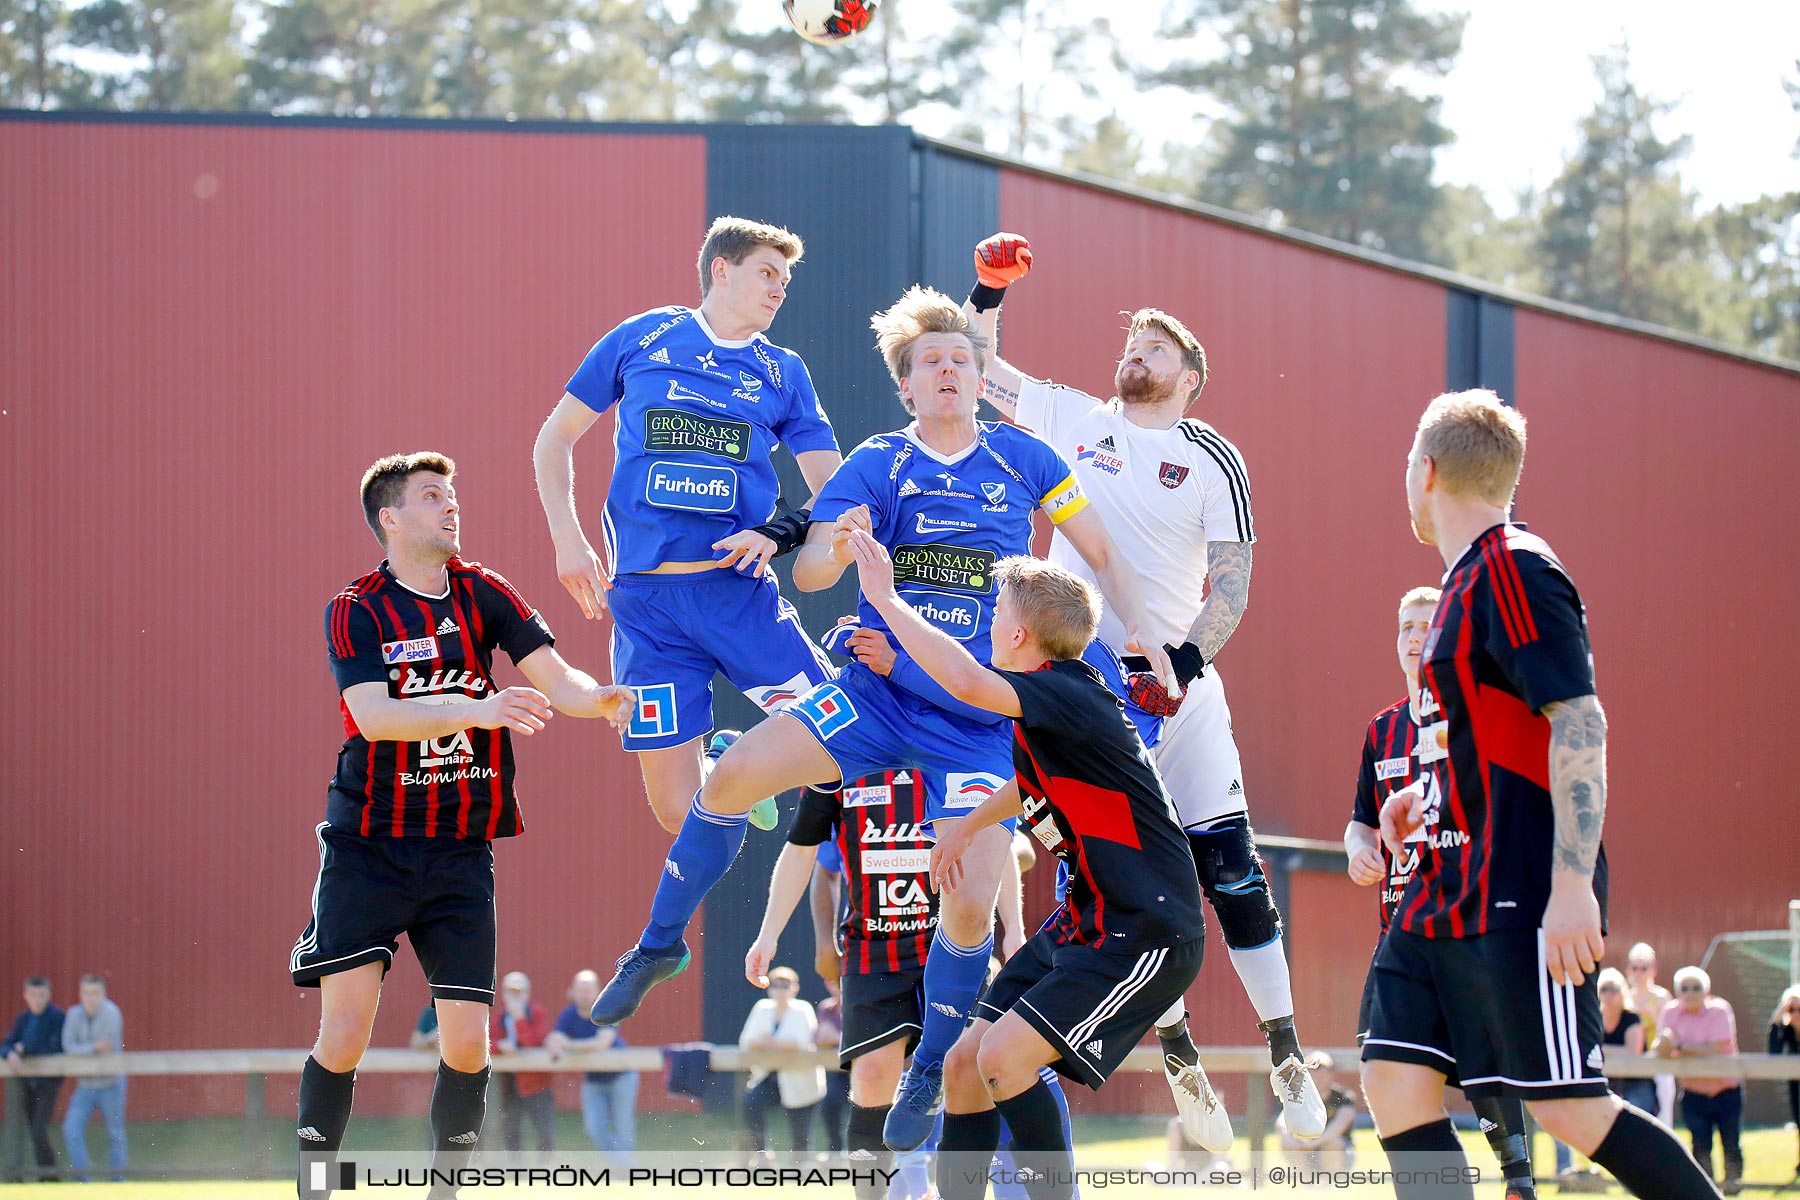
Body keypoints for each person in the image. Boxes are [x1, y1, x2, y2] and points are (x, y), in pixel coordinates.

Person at [591, 286, 1174, 1160]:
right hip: (879, 691)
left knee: (972, 895)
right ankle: (658, 944)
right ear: (906, 387)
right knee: (735, 776)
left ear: (980, 377)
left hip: (979, 718)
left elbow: (1099, 554)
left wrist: (1150, 646)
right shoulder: (878, 463)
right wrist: (833, 544)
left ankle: (932, 1065)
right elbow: (818, 574)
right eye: (930, 362)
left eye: (961, 359)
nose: (948, 370)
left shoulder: (1024, 457)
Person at [964, 233, 1322, 1141]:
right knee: (1116, 880)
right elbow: (974, 368)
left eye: (1157, 347)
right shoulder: (1076, 419)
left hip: (1180, 688)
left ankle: (1285, 1050)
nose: (1136, 353)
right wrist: (987, 290)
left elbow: (1232, 587)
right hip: (1085, 693)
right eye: (1131, 343)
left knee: (1230, 868)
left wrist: (1183, 666)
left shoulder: (1212, 459)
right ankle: (1179, 1055)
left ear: (1191, 375)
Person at [1361, 389, 1721, 1200]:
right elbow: (1497, 727)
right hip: (1443, 887)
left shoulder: (1514, 566)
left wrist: (1570, 887)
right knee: (1393, 1082)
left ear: (1423, 472)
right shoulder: (1457, 586)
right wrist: (1426, 793)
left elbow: (1579, 720)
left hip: (1523, 888)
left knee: (1569, 1110)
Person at [289, 451, 635, 1200]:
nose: (451, 507)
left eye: (453, 495)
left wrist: (603, 697)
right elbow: (375, 717)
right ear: (391, 517)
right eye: (431, 496)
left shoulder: (484, 592)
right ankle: (317, 1184)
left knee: (469, 1044)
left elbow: (559, 680)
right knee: (345, 1034)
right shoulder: (356, 606)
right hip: (367, 848)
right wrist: (478, 708)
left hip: (458, 852)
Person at [848, 540, 1206, 1200]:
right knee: (962, 1064)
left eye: (995, 610)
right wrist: (969, 823)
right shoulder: (1055, 705)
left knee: (1002, 1060)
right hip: (1086, 924)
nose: (986, 621)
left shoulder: (1063, 693)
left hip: (1146, 932)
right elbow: (1033, 782)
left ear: (1018, 633)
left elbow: (963, 682)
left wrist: (887, 598)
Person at [534, 215, 844, 840]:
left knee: (840, 743)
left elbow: (836, 489)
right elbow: (555, 436)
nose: (779, 289)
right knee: (677, 811)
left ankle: (740, 760)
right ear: (719, 271)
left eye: (785, 280)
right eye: (767, 273)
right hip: (645, 606)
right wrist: (567, 538)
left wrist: (779, 533)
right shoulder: (642, 338)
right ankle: (720, 766)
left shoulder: (783, 371)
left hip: (735, 593)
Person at [1345, 585, 1537, 1200]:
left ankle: (1518, 1179)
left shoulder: (1475, 717)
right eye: (1403, 625)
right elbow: (1361, 819)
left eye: (1426, 624)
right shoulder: (1382, 730)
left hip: (1463, 926)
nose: (1412, 636)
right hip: (1398, 933)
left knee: (1488, 1069)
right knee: (1381, 1061)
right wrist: (1358, 850)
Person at [1657, 967, 1742, 1193]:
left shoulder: (1720, 1010)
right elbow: (1663, 1045)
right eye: (1685, 988)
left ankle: (1734, 1190)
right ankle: (1706, 1191)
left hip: (1726, 1089)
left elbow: (1717, 1047)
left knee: (1731, 1143)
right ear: (1677, 991)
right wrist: (1667, 1045)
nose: (1690, 992)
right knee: (1700, 1146)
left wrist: (1680, 1047)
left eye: (1696, 987)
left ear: (1707, 990)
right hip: (1693, 1090)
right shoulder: (1671, 1012)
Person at [546, 970, 638, 1165]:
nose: (584, 994)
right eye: (580, 990)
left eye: (588, 990)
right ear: (572, 992)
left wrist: (568, 1045)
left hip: (621, 1076)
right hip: (593, 1079)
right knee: (594, 1128)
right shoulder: (569, 1014)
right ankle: (625, 1166)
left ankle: (627, 1171)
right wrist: (554, 1043)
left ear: (598, 991)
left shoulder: (608, 1009)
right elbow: (556, 1038)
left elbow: (601, 1044)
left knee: (624, 1127)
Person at [738, 967, 826, 1161]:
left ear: (794, 988)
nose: (780, 990)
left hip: (800, 1078)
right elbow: (747, 1040)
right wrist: (776, 1044)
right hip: (769, 1076)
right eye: (776, 985)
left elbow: (803, 1042)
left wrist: (772, 1043)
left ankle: (799, 1169)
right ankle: (762, 1153)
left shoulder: (802, 1009)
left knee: (800, 1130)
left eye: (785, 986)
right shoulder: (762, 1008)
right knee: (751, 1104)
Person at [61, 974, 126, 1182]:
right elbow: (67, 1047)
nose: (91, 997)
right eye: (87, 993)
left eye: (96, 993)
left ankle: (117, 1183)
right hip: (86, 1084)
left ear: (103, 994)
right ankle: (84, 1183)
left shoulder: (112, 1013)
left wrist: (84, 1050)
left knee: (115, 1133)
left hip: (111, 1083)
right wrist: (92, 1047)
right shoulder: (73, 1014)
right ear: (80, 994)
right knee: (71, 1129)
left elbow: (108, 1047)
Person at [2, 976, 65, 1181]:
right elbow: (7, 1043)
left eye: (42, 995)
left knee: (39, 1128)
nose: (38, 1000)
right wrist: (10, 1052)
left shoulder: (57, 1017)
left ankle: (50, 1176)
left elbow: (55, 1047)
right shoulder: (24, 1018)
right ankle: (24, 1176)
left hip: (47, 1082)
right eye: (33, 995)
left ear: (49, 995)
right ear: (26, 996)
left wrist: (25, 1049)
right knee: (28, 1128)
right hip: (27, 1083)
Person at [490, 972, 556, 1156]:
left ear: (527, 993)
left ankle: (547, 1168)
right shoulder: (499, 1018)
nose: (515, 996)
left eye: (519, 992)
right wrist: (501, 1046)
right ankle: (515, 1169)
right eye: (511, 992)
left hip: (537, 1083)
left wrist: (519, 1019)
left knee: (544, 1131)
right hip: (510, 1083)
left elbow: (533, 1043)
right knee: (511, 1129)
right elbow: (487, 1043)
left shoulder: (538, 1014)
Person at [1277, 1053, 1358, 1173]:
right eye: (1314, 1071)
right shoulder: (1299, 1096)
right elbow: (1282, 1121)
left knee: (1333, 1142)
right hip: (1307, 1150)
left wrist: (1312, 1144)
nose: (1320, 1076)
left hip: (1339, 1153)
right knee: (1287, 1141)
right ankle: (1306, 1183)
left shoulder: (1343, 1098)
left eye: (1324, 1071)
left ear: (1332, 1074)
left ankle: (1328, 1184)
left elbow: (1337, 1128)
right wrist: (1289, 1137)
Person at [1627, 942, 1679, 1124]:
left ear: (1653, 970)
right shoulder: (1625, 997)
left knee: (1664, 1106)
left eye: (1644, 968)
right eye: (1635, 968)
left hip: (1657, 1059)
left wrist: (1648, 1013)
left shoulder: (1661, 997)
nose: (1639, 973)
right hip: (1633, 1060)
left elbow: (1667, 1030)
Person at [1597, 967, 1658, 1114]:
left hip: (1636, 1080)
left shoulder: (1632, 1017)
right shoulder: (1595, 1019)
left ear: (1622, 992)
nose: (1608, 994)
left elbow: (1633, 1051)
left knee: (1636, 1113)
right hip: (1604, 1080)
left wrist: (1602, 1049)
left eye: (1614, 989)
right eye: (1604, 989)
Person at [1767, 985, 1800, 1178]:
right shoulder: (1787, 1031)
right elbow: (1774, 1051)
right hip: (1796, 1083)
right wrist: (1779, 1015)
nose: (1795, 1014)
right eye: (1791, 1009)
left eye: (1799, 1009)